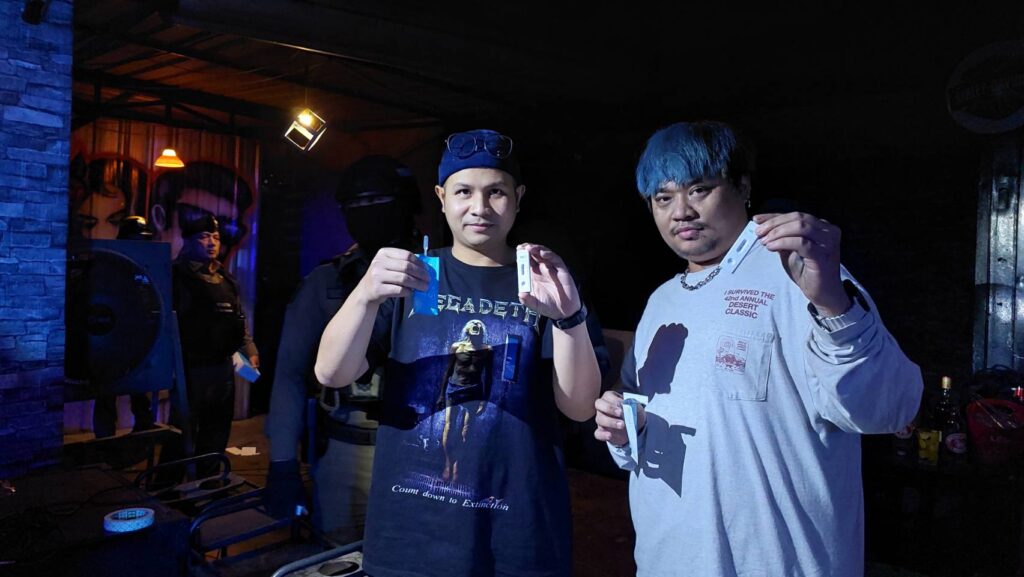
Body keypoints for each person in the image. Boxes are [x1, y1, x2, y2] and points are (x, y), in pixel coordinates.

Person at [593, 120, 923, 577]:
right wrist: (624, 429)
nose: (681, 211)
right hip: (667, 560)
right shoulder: (661, 302)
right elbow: (646, 432)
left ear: (743, 187)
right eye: (663, 198)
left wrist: (833, 304)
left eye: (700, 189)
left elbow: (889, 408)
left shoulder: (799, 271)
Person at [315, 129, 607, 577]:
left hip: (515, 536)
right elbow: (332, 373)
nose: (479, 207)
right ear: (441, 197)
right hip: (410, 537)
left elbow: (580, 406)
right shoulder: (417, 277)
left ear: (518, 197)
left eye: (496, 192)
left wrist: (569, 317)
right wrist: (365, 296)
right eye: (464, 191)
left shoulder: (543, 280)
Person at [264, 155, 421, 545]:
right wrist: (282, 462)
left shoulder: (436, 276)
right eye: (356, 204)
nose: (368, 212)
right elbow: (289, 373)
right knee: (337, 556)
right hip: (345, 449)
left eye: (379, 201)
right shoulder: (328, 281)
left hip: (419, 449)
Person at [159, 213, 260, 479]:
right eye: (204, 237)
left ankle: (210, 481)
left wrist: (249, 350)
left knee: (216, 430)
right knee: (181, 432)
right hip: (189, 368)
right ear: (189, 240)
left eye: (215, 237)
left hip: (222, 368)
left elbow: (238, 319)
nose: (212, 242)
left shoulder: (227, 279)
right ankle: (167, 487)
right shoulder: (174, 276)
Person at [68, 157, 157, 437]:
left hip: (136, 337)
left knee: (138, 394)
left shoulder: (145, 268)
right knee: (107, 395)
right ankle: (105, 442)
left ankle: (140, 436)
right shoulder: (110, 265)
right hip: (113, 336)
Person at [151, 161, 254, 262]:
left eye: (227, 230)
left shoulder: (221, 273)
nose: (212, 243)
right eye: (196, 219)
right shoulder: (149, 267)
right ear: (160, 217)